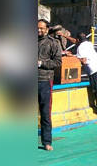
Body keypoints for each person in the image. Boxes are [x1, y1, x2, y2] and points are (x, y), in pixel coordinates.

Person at [38, 19, 62, 151]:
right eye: (37, 28)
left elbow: (58, 62)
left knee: (45, 113)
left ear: (47, 29)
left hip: (44, 80)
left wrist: (41, 63)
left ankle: (46, 141)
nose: (39, 30)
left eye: (42, 28)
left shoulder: (53, 43)